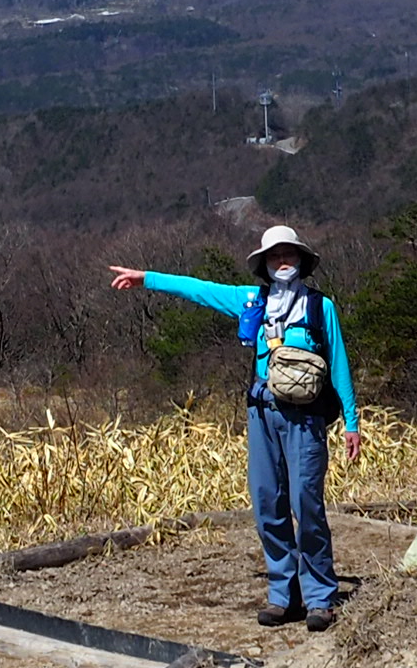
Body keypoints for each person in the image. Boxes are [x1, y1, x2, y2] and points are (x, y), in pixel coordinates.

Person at [110, 225, 361, 630]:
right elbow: (199, 289)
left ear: (301, 260)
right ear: (264, 263)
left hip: (306, 418)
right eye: (275, 255)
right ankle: (284, 595)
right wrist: (146, 279)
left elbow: (340, 366)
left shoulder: (320, 307)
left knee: (306, 505)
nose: (283, 262)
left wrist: (352, 422)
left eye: (289, 255)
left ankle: (320, 597)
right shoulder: (252, 301)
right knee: (267, 504)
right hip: (262, 414)